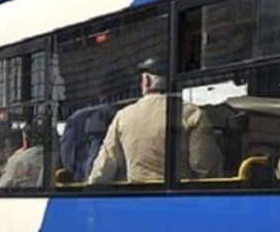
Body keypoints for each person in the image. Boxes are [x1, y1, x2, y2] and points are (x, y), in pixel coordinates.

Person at [88, 57, 222, 184]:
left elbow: (104, 167)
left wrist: (90, 196)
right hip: (179, 199)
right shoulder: (192, 114)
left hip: (137, 199)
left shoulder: (123, 116)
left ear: (146, 81)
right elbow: (204, 165)